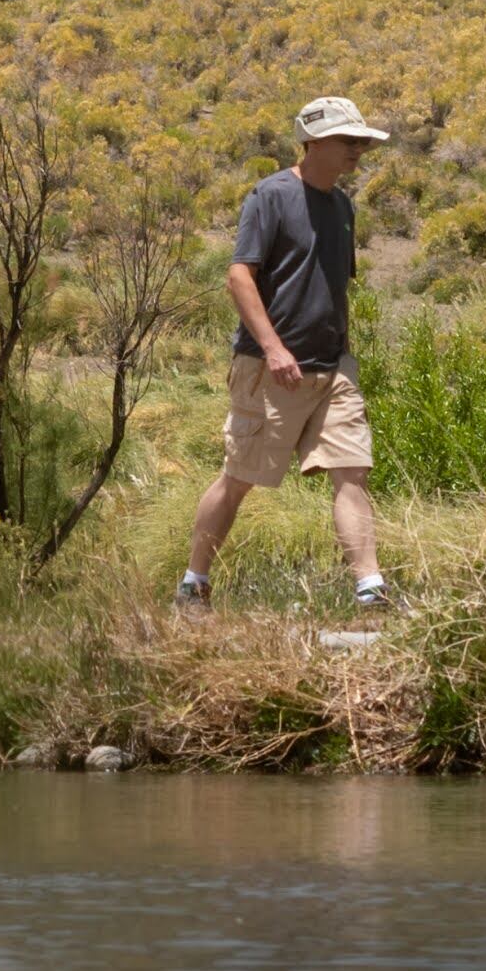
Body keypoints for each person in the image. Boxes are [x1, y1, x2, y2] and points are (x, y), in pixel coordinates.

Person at [179, 94, 389, 612]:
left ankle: (370, 589)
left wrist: (343, 354)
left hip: (331, 369)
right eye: (347, 140)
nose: (357, 150)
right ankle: (194, 582)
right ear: (313, 142)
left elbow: (332, 287)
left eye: (361, 141)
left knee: (351, 472)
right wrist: (273, 349)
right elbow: (239, 276)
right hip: (271, 370)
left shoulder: (342, 206)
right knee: (239, 480)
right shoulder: (270, 196)